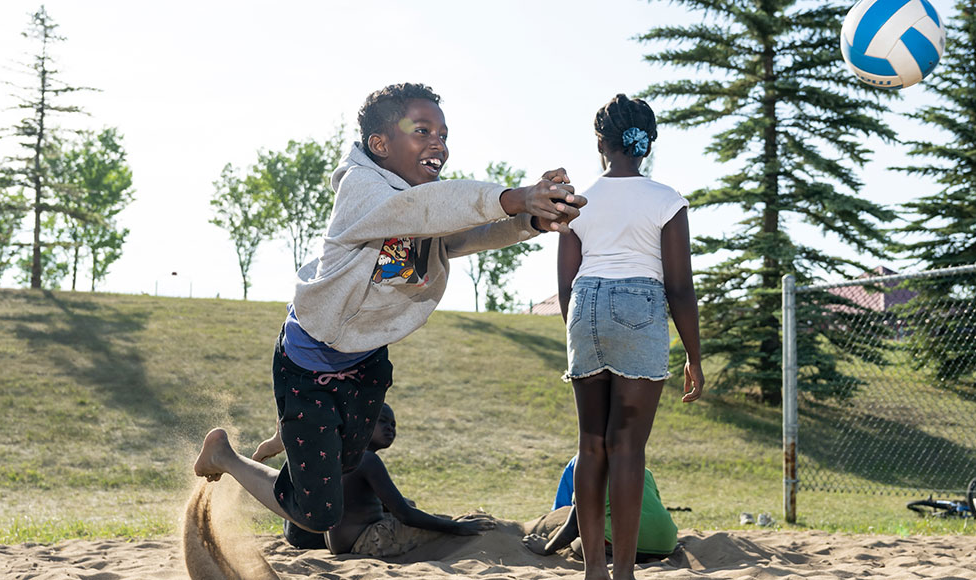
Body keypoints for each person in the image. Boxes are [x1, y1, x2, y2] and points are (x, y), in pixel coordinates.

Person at [194, 82, 586, 539]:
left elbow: (462, 232)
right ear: (379, 144)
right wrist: (516, 196)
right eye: (422, 130)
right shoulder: (362, 190)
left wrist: (532, 221)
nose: (438, 142)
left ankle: (297, 435)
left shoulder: (423, 202)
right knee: (319, 514)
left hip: (365, 362)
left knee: (346, 463)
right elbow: (423, 208)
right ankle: (225, 454)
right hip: (309, 363)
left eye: (443, 133)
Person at [556, 94, 704, 580]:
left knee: (591, 444)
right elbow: (679, 287)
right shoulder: (666, 200)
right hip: (640, 305)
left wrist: (580, 328)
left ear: (601, 142)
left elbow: (565, 281)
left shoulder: (576, 201)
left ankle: (593, 568)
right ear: (647, 144)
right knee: (627, 447)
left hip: (585, 306)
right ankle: (623, 573)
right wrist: (694, 357)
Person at [258, 404, 496, 555]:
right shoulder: (366, 460)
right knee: (454, 528)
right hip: (357, 541)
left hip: (336, 542)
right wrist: (457, 527)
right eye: (383, 421)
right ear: (364, 425)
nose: (391, 428)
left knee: (411, 507)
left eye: (393, 424)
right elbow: (404, 514)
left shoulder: (345, 456)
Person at [525, 457, 678, 563]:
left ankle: (623, 558)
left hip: (630, 545)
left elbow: (573, 528)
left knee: (579, 544)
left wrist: (545, 549)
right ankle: (646, 556)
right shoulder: (643, 470)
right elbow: (654, 505)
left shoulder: (589, 472)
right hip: (667, 544)